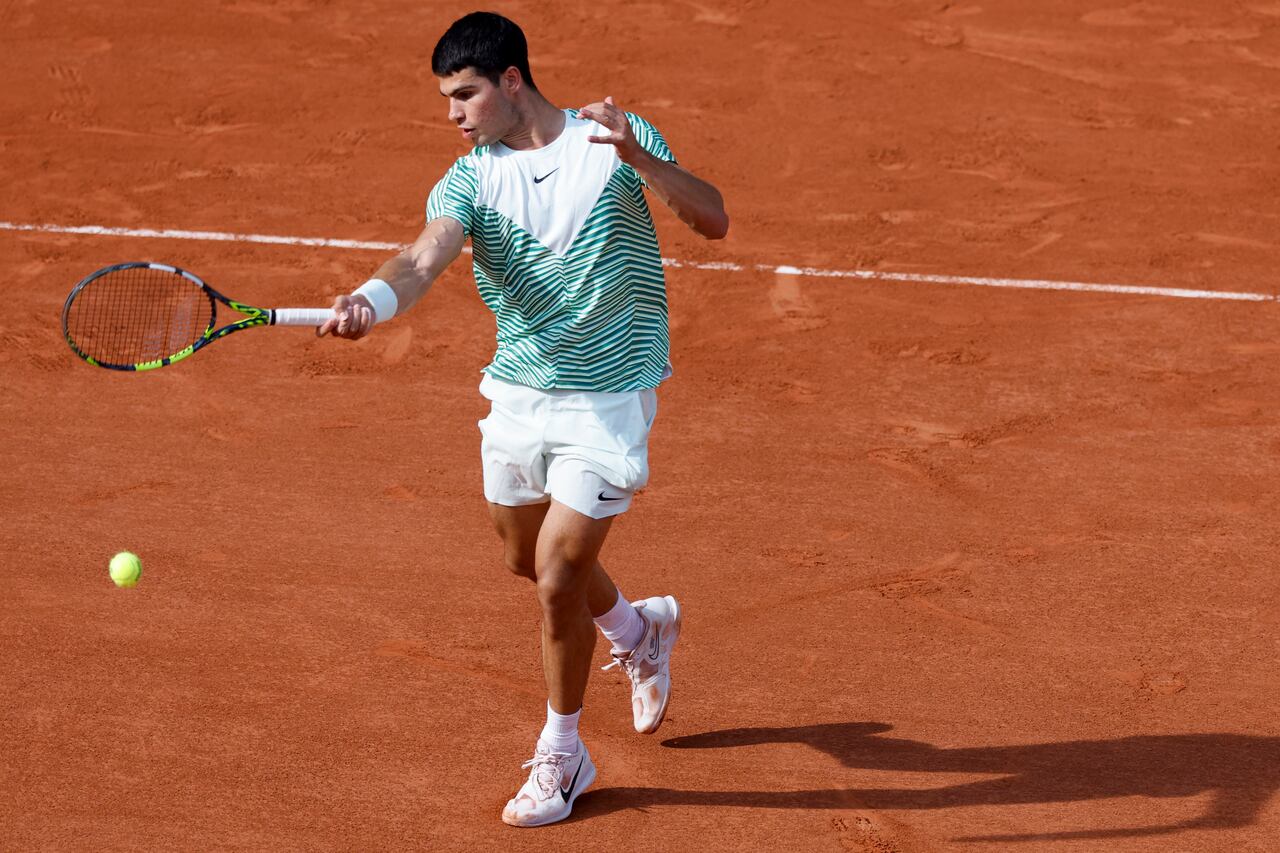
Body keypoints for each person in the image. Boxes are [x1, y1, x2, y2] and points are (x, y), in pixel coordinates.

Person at [320, 11, 728, 827]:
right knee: (523, 556)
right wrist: (371, 297)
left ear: (513, 81)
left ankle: (564, 751)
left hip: (609, 397)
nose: (454, 113)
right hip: (520, 395)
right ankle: (638, 628)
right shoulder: (469, 180)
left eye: (465, 94)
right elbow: (424, 254)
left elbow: (713, 217)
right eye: (447, 98)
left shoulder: (611, 138)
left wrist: (640, 157)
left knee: (555, 577)